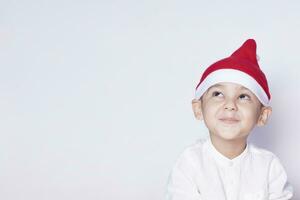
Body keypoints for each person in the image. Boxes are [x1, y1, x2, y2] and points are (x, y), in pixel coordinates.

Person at [165, 39, 293, 200]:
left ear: (262, 115)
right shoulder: (189, 163)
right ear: (198, 109)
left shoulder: (269, 167)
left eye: (243, 96)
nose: (230, 105)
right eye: (218, 94)